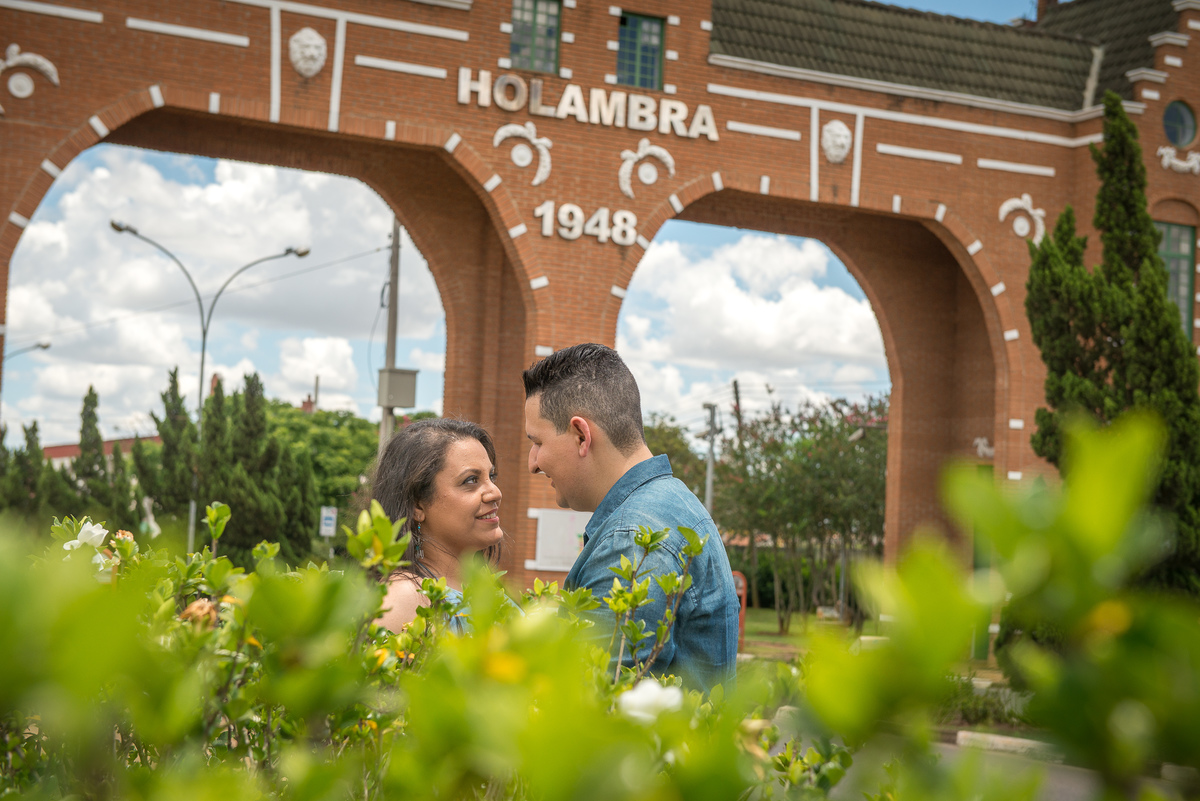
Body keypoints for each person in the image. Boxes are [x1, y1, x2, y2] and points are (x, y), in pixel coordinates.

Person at [523, 343, 739, 690]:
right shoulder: (672, 503)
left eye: (537, 441)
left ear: (581, 435)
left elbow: (592, 705)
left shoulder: (632, 537)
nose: (532, 462)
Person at [373, 418, 505, 634]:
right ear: (417, 505)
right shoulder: (407, 597)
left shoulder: (483, 591)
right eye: (471, 480)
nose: (496, 492)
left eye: (491, 476)